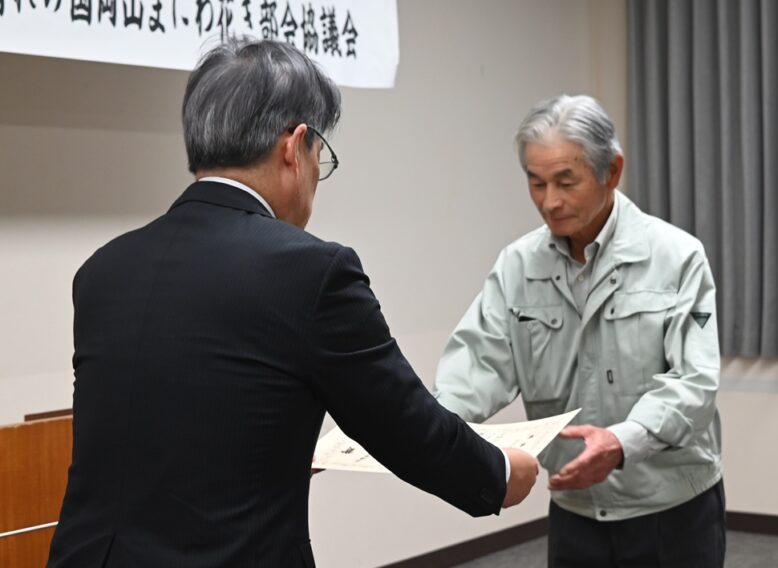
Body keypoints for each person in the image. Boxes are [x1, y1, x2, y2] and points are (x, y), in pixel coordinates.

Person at [46, 39, 539, 568]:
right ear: (295, 145)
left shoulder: (103, 271)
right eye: (320, 155)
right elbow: (406, 425)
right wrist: (500, 473)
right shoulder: (311, 271)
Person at [434, 94, 724, 567]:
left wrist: (622, 442)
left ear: (612, 171)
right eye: (536, 182)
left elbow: (694, 381)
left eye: (566, 182)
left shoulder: (677, 257)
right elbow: (477, 365)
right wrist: (420, 428)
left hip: (670, 507)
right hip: (575, 506)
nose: (550, 201)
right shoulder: (518, 266)